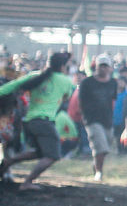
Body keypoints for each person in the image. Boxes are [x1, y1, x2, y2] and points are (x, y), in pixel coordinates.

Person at [0, 52, 76, 191]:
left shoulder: (35, 76)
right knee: (53, 155)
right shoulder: (65, 81)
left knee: (41, 152)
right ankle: (27, 182)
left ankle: (8, 162)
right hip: (44, 122)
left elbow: (11, 86)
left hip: (29, 122)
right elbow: (66, 97)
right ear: (63, 66)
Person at [79, 55, 119, 182]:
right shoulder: (87, 82)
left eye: (105, 66)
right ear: (96, 67)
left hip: (107, 119)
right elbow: (81, 101)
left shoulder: (113, 83)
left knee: (104, 149)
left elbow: (113, 100)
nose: (103, 69)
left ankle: (96, 165)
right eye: (101, 66)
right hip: (92, 119)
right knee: (101, 147)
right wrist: (85, 117)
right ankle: (99, 172)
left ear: (110, 68)